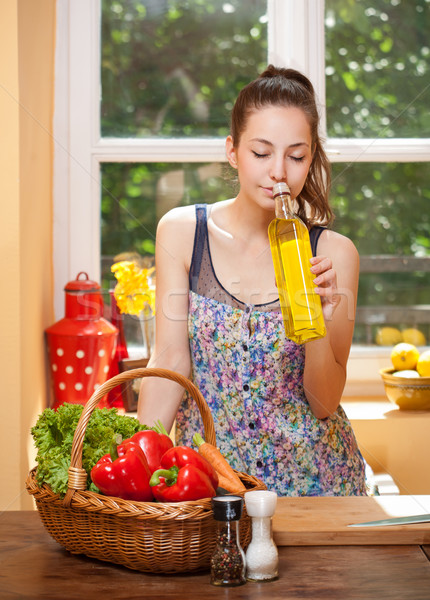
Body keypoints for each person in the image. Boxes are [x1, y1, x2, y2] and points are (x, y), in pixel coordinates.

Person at [138, 65, 367, 496]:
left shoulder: (335, 254)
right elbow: (169, 357)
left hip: (314, 487)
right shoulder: (184, 232)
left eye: (296, 156)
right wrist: (142, 457)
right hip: (207, 486)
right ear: (232, 151)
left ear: (311, 158)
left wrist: (314, 319)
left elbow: (323, 403)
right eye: (261, 153)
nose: (279, 171)